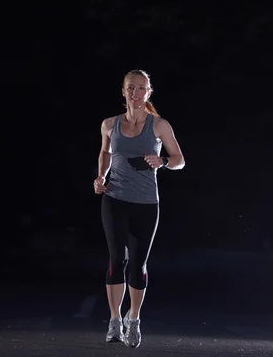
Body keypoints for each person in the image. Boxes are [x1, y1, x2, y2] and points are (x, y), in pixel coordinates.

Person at [93, 69, 185, 348]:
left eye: (141, 88)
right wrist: (100, 177)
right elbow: (106, 152)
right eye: (130, 88)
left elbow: (179, 159)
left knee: (137, 264)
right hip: (114, 199)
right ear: (124, 92)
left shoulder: (159, 125)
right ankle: (114, 321)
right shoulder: (110, 123)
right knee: (115, 259)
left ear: (148, 92)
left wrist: (163, 162)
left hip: (146, 203)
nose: (135, 92)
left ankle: (134, 319)